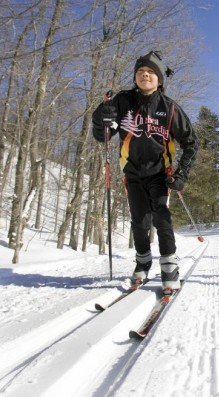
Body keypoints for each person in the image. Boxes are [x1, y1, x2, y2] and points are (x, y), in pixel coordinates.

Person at [92, 51, 198, 295]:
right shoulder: (122, 101)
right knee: (139, 219)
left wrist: (181, 174)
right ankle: (142, 262)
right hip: (132, 171)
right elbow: (102, 136)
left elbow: (192, 142)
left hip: (161, 171)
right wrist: (102, 116)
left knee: (161, 216)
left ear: (159, 79)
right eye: (140, 72)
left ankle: (169, 264)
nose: (145, 76)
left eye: (150, 72)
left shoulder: (169, 107)